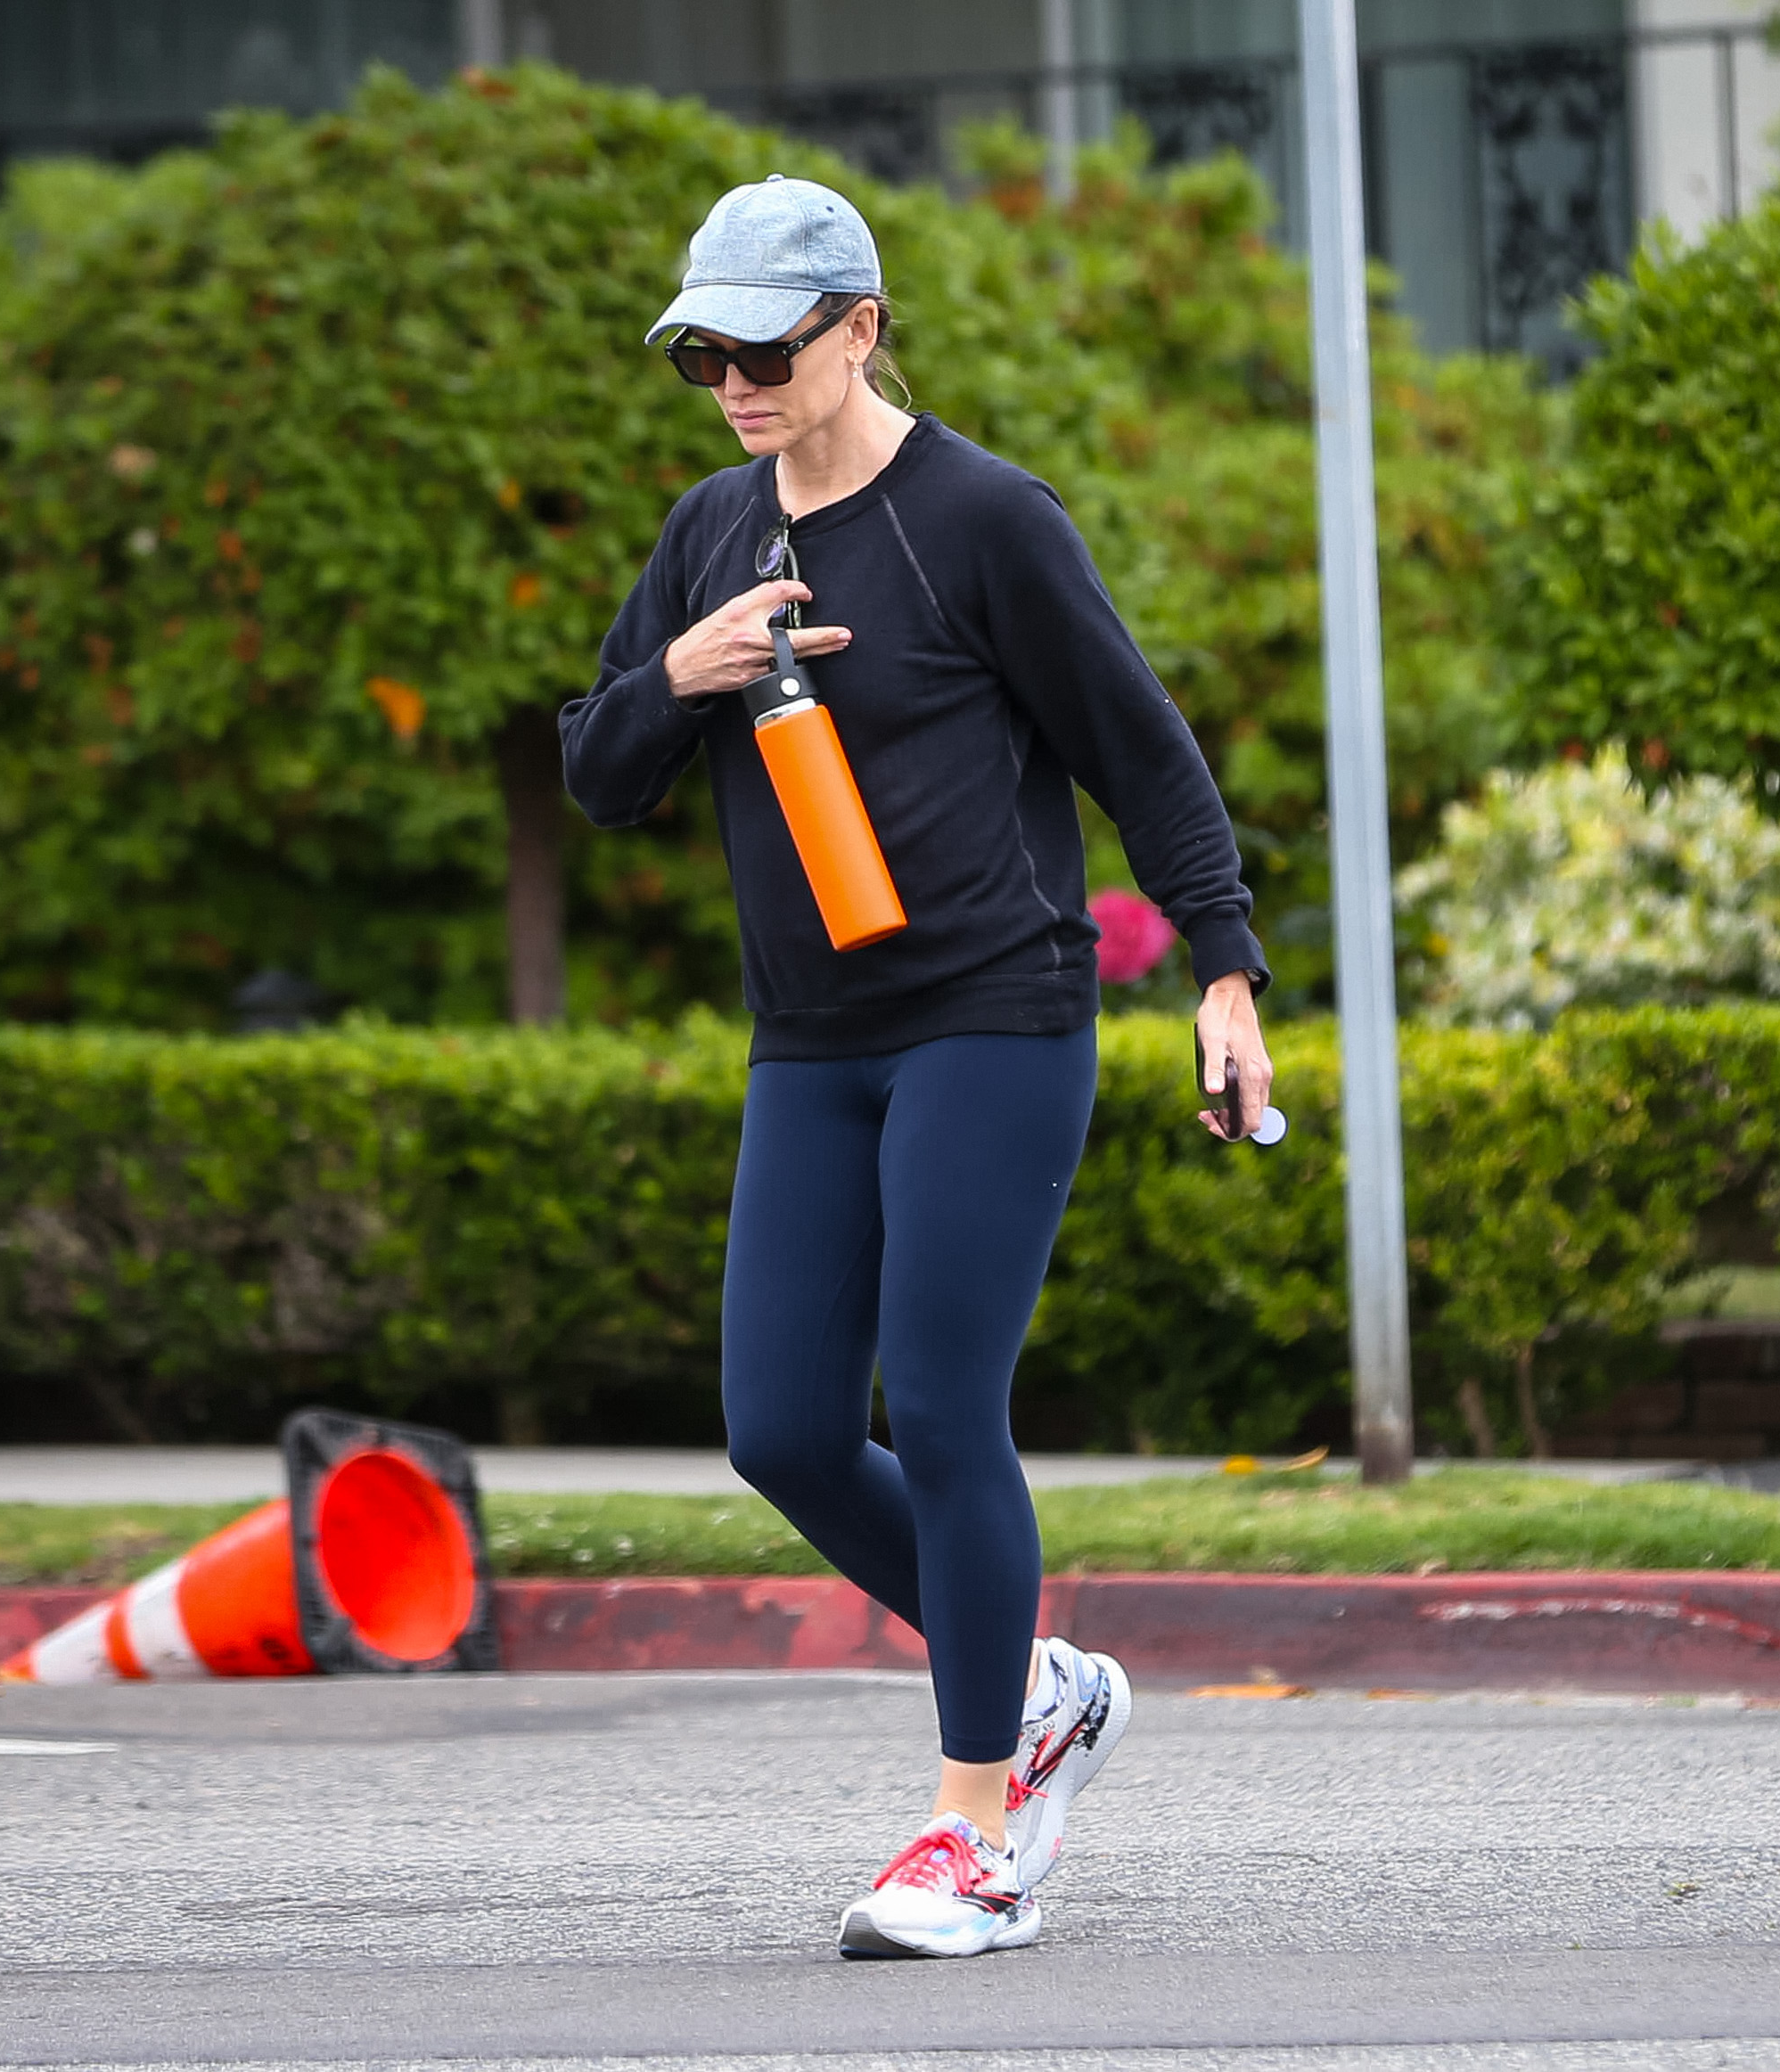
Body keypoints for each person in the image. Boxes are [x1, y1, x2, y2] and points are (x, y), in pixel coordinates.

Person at [559, 174, 1273, 1961]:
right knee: (784, 1429)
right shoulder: (708, 534)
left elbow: (1141, 750)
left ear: (859, 329)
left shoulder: (982, 519)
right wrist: (682, 669)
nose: (733, 383)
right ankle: (1037, 1684)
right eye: (702, 356)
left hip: (993, 1012)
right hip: (812, 1036)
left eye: (763, 350)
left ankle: (982, 1830)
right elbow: (599, 772)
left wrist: (1224, 968)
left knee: (944, 1407)